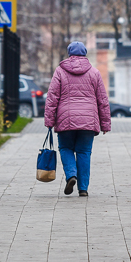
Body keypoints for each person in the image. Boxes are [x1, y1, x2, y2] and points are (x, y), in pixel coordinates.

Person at [43, 41, 111, 197]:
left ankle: (71, 175)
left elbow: (52, 98)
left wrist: (49, 121)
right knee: (84, 152)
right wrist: (105, 124)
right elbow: (102, 100)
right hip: (88, 122)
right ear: (85, 53)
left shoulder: (60, 71)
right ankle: (83, 188)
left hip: (65, 119)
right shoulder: (94, 72)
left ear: (69, 54)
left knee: (66, 148)